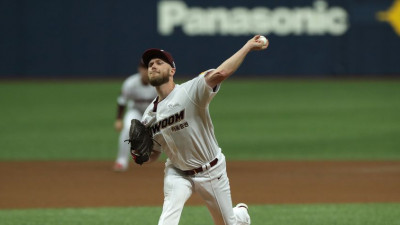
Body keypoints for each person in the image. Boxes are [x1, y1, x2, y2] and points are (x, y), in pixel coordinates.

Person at [137, 35, 269, 225]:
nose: (153, 66)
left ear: (172, 70)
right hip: (178, 172)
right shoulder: (148, 116)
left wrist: (247, 46)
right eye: (150, 64)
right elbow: (154, 154)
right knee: (167, 220)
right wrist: (140, 155)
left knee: (227, 223)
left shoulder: (190, 92)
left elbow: (220, 74)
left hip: (211, 170)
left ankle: (240, 215)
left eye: (159, 62)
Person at [113, 61, 157, 172]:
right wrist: (119, 119)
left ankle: (177, 162)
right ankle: (121, 161)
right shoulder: (130, 83)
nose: (146, 71)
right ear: (139, 69)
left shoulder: (157, 83)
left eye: (148, 68)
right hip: (135, 111)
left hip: (153, 113)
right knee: (127, 129)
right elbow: (122, 101)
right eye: (143, 68)